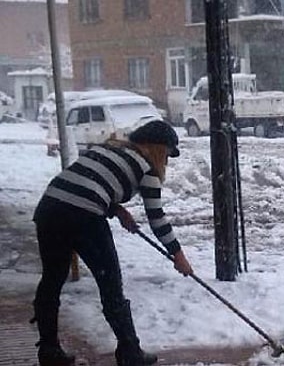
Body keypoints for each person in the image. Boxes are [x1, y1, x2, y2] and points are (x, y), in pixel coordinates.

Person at [31, 120, 194, 366]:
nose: (167, 161)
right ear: (159, 149)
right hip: (84, 218)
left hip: (50, 208)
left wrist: (115, 209)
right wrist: (178, 255)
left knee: (52, 280)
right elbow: (157, 219)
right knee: (111, 286)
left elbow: (88, 182)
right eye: (168, 154)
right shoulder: (147, 168)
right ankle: (130, 352)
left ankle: (49, 350)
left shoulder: (104, 148)